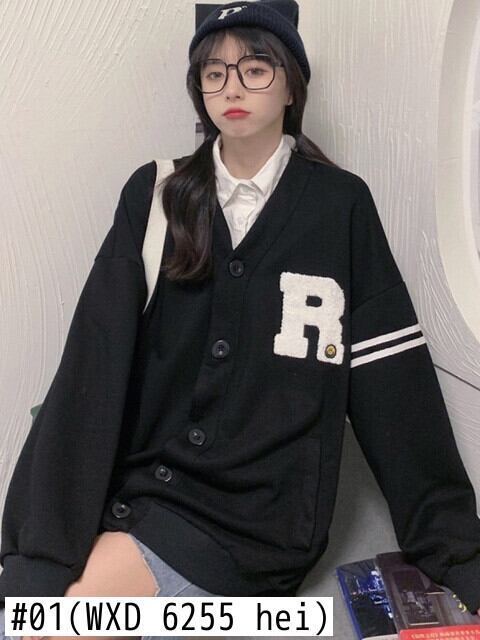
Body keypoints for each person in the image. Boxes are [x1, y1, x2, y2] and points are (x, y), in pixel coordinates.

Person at [1, 1, 480, 639]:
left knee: (38, 624)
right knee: (28, 610)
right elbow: (93, 365)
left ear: (291, 86)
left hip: (258, 524)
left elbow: (393, 383)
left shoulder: (340, 206)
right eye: (214, 72)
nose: (232, 88)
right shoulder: (157, 195)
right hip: (146, 494)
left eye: (255, 68)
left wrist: (458, 554)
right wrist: (39, 549)